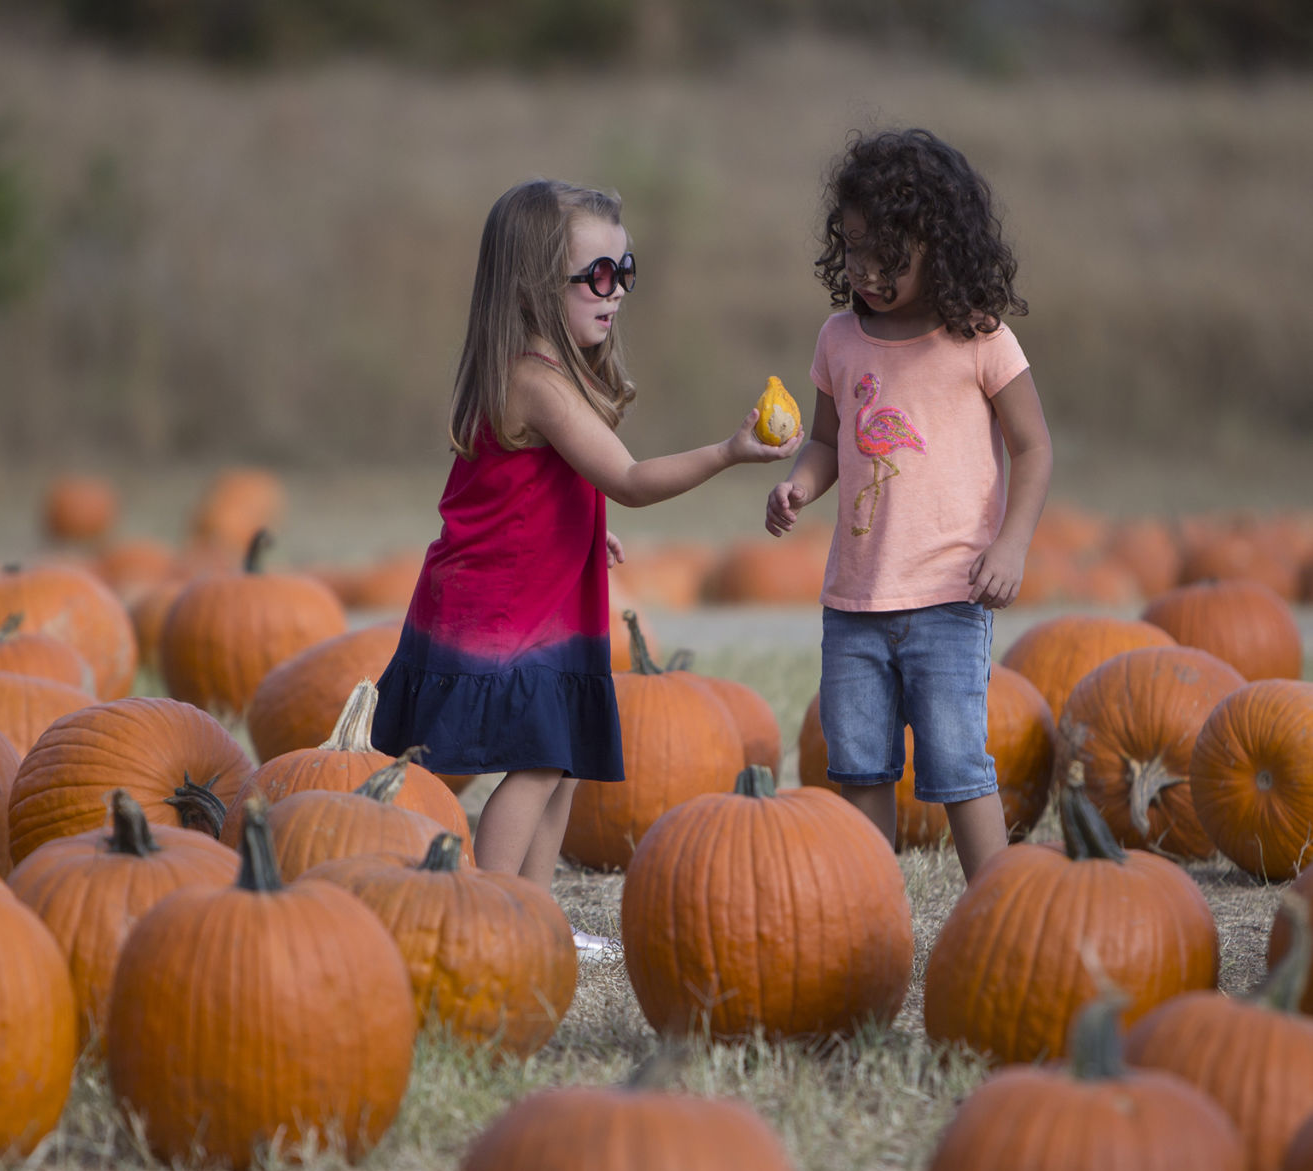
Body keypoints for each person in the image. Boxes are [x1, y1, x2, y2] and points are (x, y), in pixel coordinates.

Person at [373, 178, 801, 956]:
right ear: (537, 287)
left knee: (562, 761)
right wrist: (731, 451)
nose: (616, 292)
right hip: (499, 609)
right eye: (597, 276)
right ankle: (489, 916)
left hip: (541, 593)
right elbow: (630, 481)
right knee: (538, 762)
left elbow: (527, 489)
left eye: (624, 271)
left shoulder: (548, 377)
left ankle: (536, 921)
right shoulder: (535, 380)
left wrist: (580, 529)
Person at [764, 128, 1053, 882]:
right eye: (852, 249)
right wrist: (801, 483)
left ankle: (993, 907)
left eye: (885, 257)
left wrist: (1011, 545)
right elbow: (829, 444)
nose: (863, 270)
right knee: (857, 766)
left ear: (942, 244)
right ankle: (873, 913)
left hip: (950, 597)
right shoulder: (839, 338)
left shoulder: (981, 339)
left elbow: (1035, 448)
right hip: (854, 599)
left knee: (960, 760)